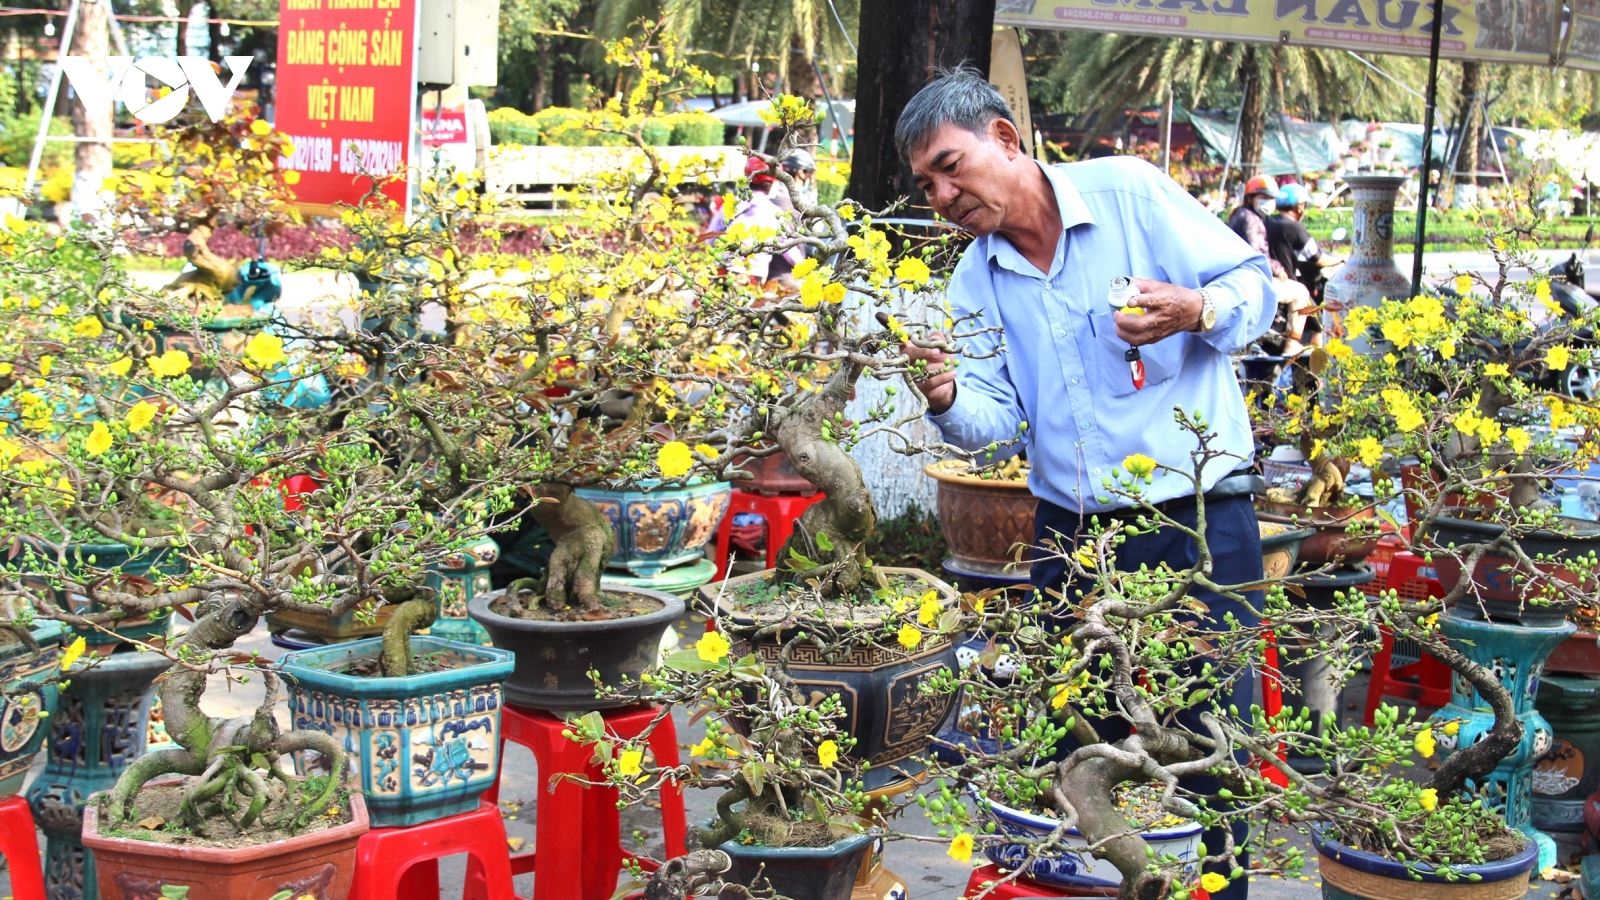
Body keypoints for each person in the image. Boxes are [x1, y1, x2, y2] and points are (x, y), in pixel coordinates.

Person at [895, 69, 1274, 900]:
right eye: (927, 184)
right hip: (1071, 540)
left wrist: (1192, 308)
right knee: (1091, 748)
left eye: (951, 166)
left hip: (1197, 522)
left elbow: (1256, 288)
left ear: (1003, 137)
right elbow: (996, 420)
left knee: (1207, 737)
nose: (944, 194)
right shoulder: (976, 282)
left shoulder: (1131, 194)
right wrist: (950, 395)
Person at [1264, 182, 1328, 357]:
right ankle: (1314, 370)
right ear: (1299, 206)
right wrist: (1341, 259)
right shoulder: (1294, 227)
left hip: (1265, 280)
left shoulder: (1267, 221)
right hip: (1285, 283)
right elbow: (1318, 258)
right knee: (1317, 320)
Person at [1227, 175, 1281, 274]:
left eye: (1271, 198)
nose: (1268, 202)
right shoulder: (1250, 220)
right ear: (1250, 199)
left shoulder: (1244, 213)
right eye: (1264, 197)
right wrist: (1277, 269)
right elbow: (1256, 256)